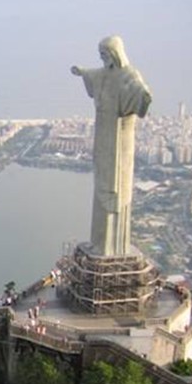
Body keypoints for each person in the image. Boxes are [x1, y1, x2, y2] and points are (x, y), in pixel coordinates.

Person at [71, 36, 152, 256]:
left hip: (120, 141)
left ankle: (113, 247)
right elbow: (93, 74)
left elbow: (140, 93)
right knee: (101, 187)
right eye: (101, 55)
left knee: (117, 189)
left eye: (105, 54)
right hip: (103, 137)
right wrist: (81, 71)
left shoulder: (129, 75)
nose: (102, 58)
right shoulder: (104, 74)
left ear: (116, 53)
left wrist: (143, 95)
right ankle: (99, 243)